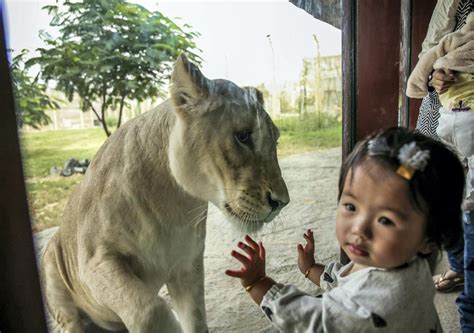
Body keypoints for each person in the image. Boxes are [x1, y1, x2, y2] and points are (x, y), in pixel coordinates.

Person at [225, 127, 465, 332]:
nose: (359, 228)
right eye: (351, 206)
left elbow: (316, 322)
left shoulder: (379, 304)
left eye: (386, 220)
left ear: (430, 239)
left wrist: (259, 284)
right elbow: (351, 281)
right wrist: (311, 269)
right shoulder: (406, 263)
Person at [414, 0, 473, 295]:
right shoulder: (454, 1)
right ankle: (459, 264)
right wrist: (433, 75)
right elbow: (430, 49)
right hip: (440, 105)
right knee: (436, 188)